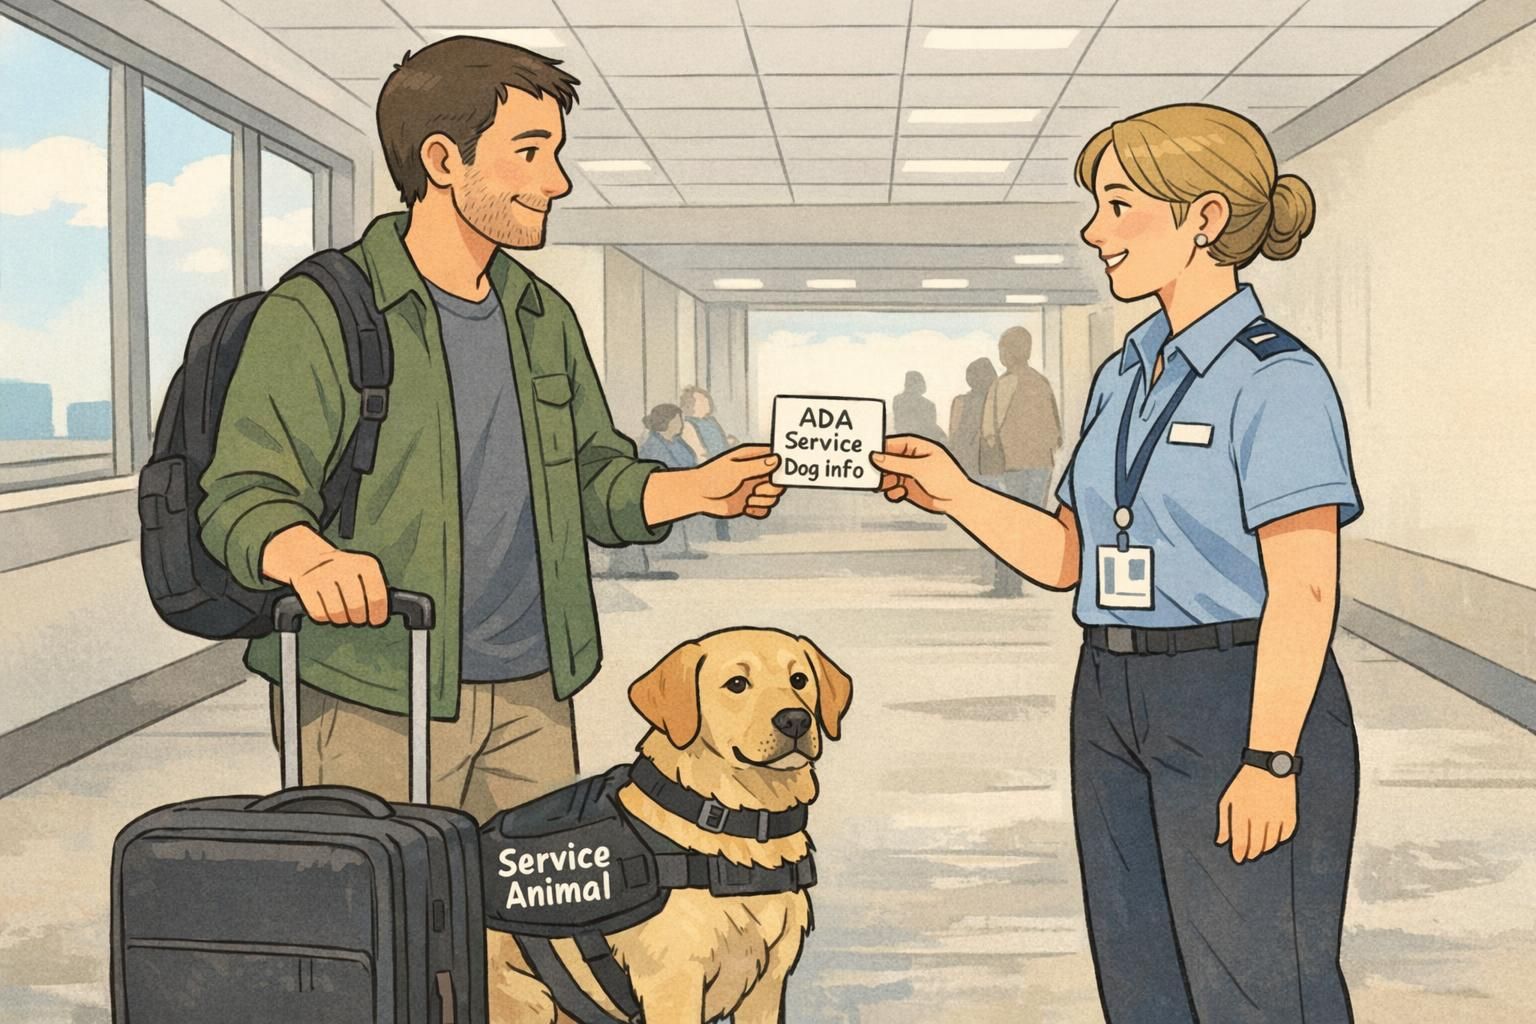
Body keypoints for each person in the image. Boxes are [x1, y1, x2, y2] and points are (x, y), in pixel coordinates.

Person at [198, 37, 784, 824]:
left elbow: (592, 479)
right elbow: (243, 493)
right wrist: (306, 556)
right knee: (392, 924)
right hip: (373, 684)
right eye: (531, 152)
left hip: (535, 687)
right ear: (443, 160)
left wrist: (692, 489)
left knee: (532, 929)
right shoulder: (322, 311)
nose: (558, 181)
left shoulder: (542, 318)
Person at [871, 103, 1360, 1023]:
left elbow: (1306, 584)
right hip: (1110, 694)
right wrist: (955, 494)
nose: (1095, 232)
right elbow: (1068, 558)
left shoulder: (1276, 378)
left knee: (1259, 986)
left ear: (1204, 218)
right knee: (1141, 983)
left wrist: (1272, 759)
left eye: (1119, 205)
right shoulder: (1122, 374)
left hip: (1238, 695)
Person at [980, 326, 1061, 595]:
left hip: (1011, 464)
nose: (1001, 354)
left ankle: (1006, 583)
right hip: (1041, 463)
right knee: (1029, 524)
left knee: (1007, 523)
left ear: (1009, 352)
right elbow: (1056, 431)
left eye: (1003, 349)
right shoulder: (1041, 382)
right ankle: (1017, 581)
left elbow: (990, 429)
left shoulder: (1003, 384)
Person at [638, 404, 705, 560]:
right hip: (662, 488)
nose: (681, 424)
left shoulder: (677, 441)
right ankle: (672, 547)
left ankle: (680, 547)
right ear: (665, 422)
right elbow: (664, 470)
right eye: (677, 420)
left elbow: (690, 461)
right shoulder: (654, 445)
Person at [680, 386, 735, 541]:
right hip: (707, 468)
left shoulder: (711, 421)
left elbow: (720, 441)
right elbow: (698, 451)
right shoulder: (688, 425)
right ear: (690, 405)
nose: (707, 404)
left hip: (722, 465)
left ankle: (723, 529)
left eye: (707, 400)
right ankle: (716, 531)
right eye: (701, 401)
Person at [947, 357, 998, 477]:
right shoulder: (996, 402)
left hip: (965, 462)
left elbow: (953, 435)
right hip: (987, 463)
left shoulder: (960, 401)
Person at [891, 370, 947, 444]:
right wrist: (942, 436)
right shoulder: (928, 404)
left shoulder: (898, 399)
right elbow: (930, 427)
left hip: (903, 440)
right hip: (921, 442)